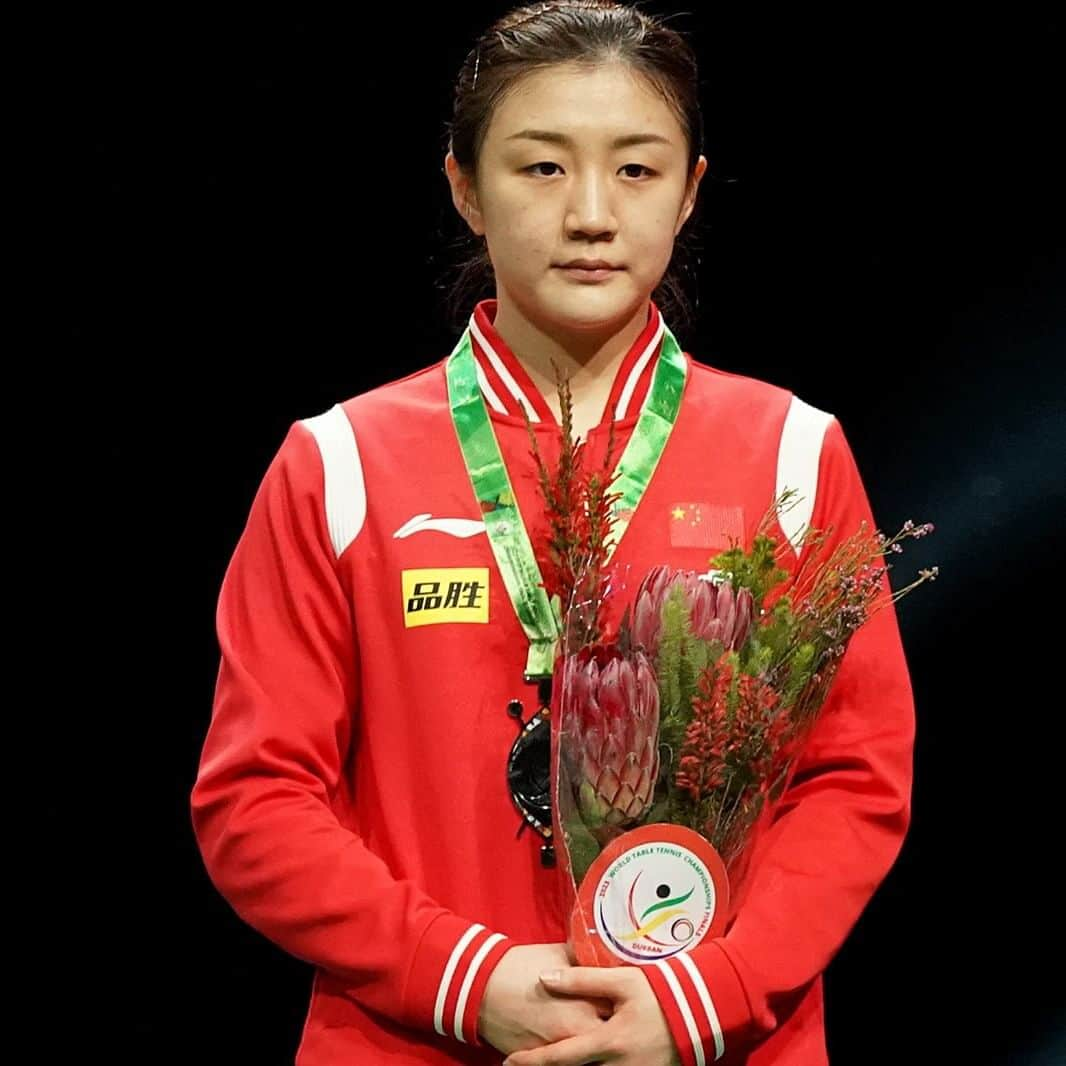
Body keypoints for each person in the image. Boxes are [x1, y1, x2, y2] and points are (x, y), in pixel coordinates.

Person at [189, 2, 916, 1063]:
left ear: (690, 191)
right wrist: (462, 976)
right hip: (414, 1038)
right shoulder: (338, 463)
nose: (589, 213)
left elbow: (854, 779)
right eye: (540, 168)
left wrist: (708, 993)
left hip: (710, 1040)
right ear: (462, 190)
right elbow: (255, 801)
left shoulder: (792, 453)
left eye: (635, 169)